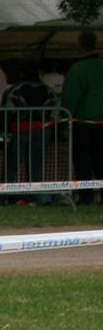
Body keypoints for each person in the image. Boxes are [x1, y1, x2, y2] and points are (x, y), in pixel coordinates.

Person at [1, 62, 56, 206]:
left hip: (20, 130)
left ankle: (0, 199)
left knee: (11, 167)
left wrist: (2, 129)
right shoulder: (47, 90)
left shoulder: (15, 90)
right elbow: (55, 111)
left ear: (22, 73)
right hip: (42, 130)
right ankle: (34, 199)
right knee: (35, 166)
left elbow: (7, 111)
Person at [63, 30, 103, 206]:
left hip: (82, 123)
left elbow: (70, 100)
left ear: (80, 46)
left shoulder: (77, 69)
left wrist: (64, 120)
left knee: (82, 161)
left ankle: (86, 197)